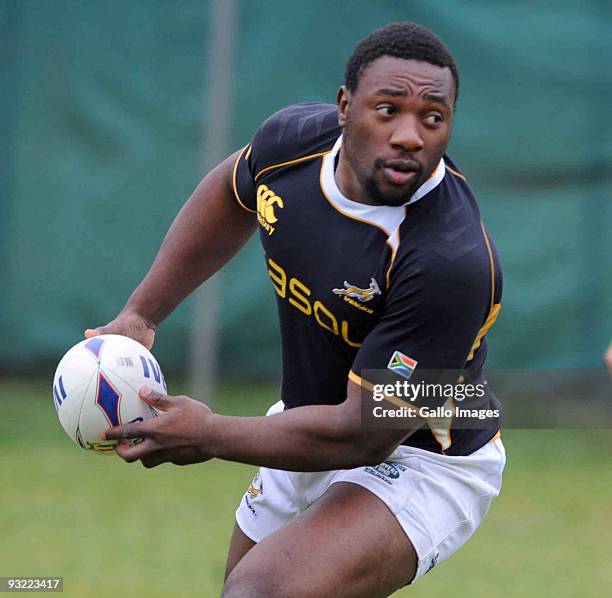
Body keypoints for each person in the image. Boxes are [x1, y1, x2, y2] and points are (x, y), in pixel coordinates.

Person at [86, 23, 506, 596]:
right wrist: (142, 313)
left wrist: (208, 433)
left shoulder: (451, 261)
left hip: (422, 455)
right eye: (387, 110)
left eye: (433, 118)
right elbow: (233, 190)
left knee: (258, 593)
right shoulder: (293, 144)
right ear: (343, 106)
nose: (410, 135)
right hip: (307, 424)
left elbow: (364, 435)